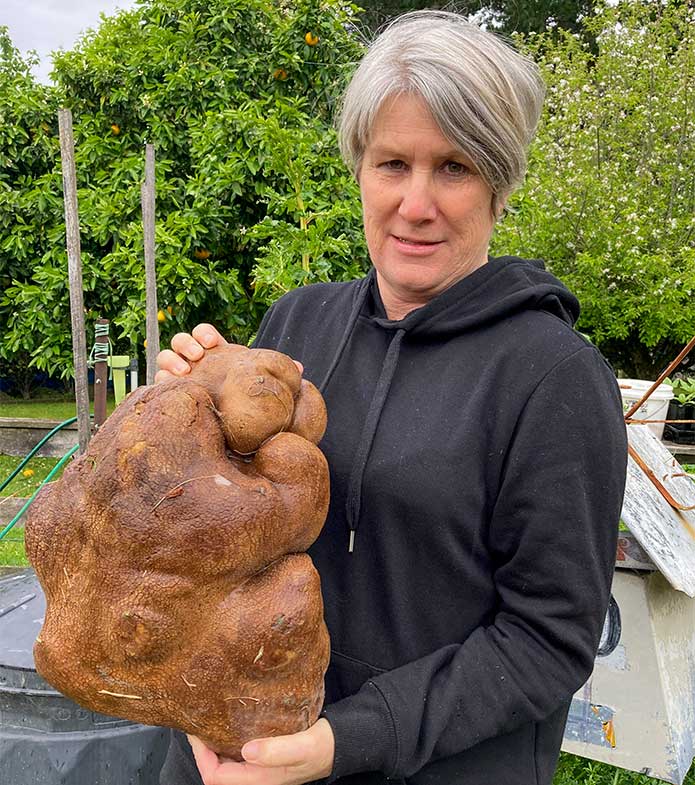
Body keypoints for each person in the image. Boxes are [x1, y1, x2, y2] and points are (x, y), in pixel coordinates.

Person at [156, 10, 627, 785]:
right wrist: (185, 421)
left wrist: (348, 740)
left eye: (453, 167)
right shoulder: (297, 320)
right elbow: (227, 529)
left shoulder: (552, 377)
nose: (415, 202)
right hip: (237, 748)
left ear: (499, 184)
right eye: (392, 163)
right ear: (358, 169)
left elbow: (547, 637)